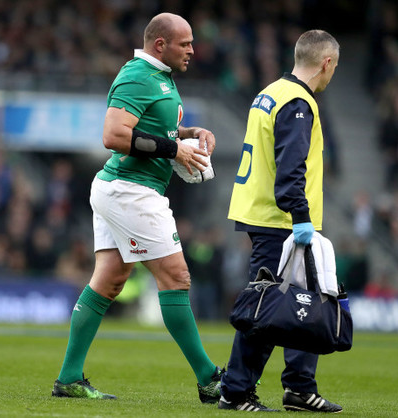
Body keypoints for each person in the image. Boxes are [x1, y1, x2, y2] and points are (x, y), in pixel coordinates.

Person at [52, 12, 223, 403]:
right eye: (185, 43)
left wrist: (189, 134)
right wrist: (173, 149)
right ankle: (210, 379)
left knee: (110, 279)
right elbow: (113, 135)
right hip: (132, 190)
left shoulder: (160, 80)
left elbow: (154, 129)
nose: (193, 50)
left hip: (123, 189)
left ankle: (68, 379)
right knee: (176, 277)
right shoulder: (137, 76)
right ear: (160, 44)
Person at [219, 30, 343, 412]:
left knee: (304, 304)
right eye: (333, 68)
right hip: (282, 221)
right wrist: (301, 217)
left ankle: (299, 388)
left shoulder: (271, 92)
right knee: (267, 308)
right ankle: (235, 390)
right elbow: (291, 168)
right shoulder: (299, 103)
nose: (331, 75)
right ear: (326, 63)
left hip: (269, 216)